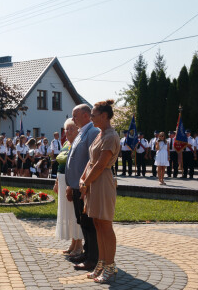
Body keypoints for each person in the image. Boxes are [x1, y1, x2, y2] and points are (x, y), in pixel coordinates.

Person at [79, 99, 120, 283]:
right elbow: (91, 161)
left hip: (101, 182)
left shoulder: (110, 136)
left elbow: (101, 164)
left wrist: (86, 182)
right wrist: (83, 178)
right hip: (93, 182)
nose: (92, 118)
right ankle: (102, 263)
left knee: (105, 225)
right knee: (96, 222)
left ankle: (110, 267)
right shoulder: (100, 134)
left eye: (94, 115)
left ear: (104, 116)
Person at [65, 104, 100, 271]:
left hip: (85, 186)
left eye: (75, 115)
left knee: (88, 223)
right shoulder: (81, 133)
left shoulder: (92, 132)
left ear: (86, 115)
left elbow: (92, 161)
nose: (73, 119)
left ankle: (93, 258)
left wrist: (84, 182)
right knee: (82, 221)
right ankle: (87, 253)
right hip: (77, 185)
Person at [54, 118, 83, 256]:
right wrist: (56, 182)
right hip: (62, 181)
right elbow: (60, 165)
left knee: (75, 213)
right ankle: (73, 242)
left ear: (78, 130)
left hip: (72, 183)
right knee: (68, 214)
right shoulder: (66, 143)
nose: (69, 131)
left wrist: (71, 185)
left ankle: (79, 244)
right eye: (67, 129)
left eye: (72, 128)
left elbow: (77, 167)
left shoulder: (79, 144)